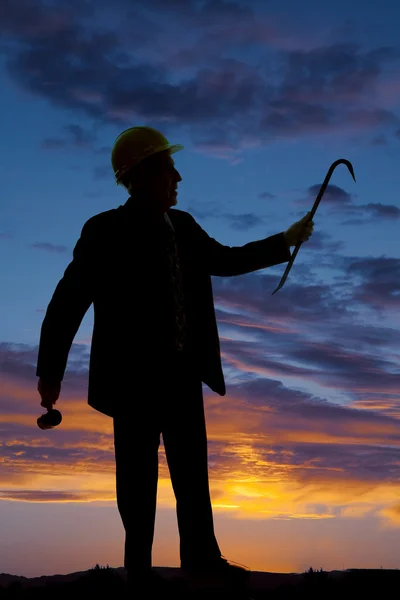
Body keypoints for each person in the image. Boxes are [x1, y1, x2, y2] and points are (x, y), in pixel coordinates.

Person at [36, 126, 314, 594]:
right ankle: (138, 572)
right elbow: (69, 300)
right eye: (169, 168)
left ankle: (202, 560)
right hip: (132, 383)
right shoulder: (104, 230)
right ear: (141, 175)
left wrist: (284, 240)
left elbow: (224, 260)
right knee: (137, 482)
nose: (179, 177)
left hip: (183, 375)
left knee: (192, 475)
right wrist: (50, 372)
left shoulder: (182, 226)